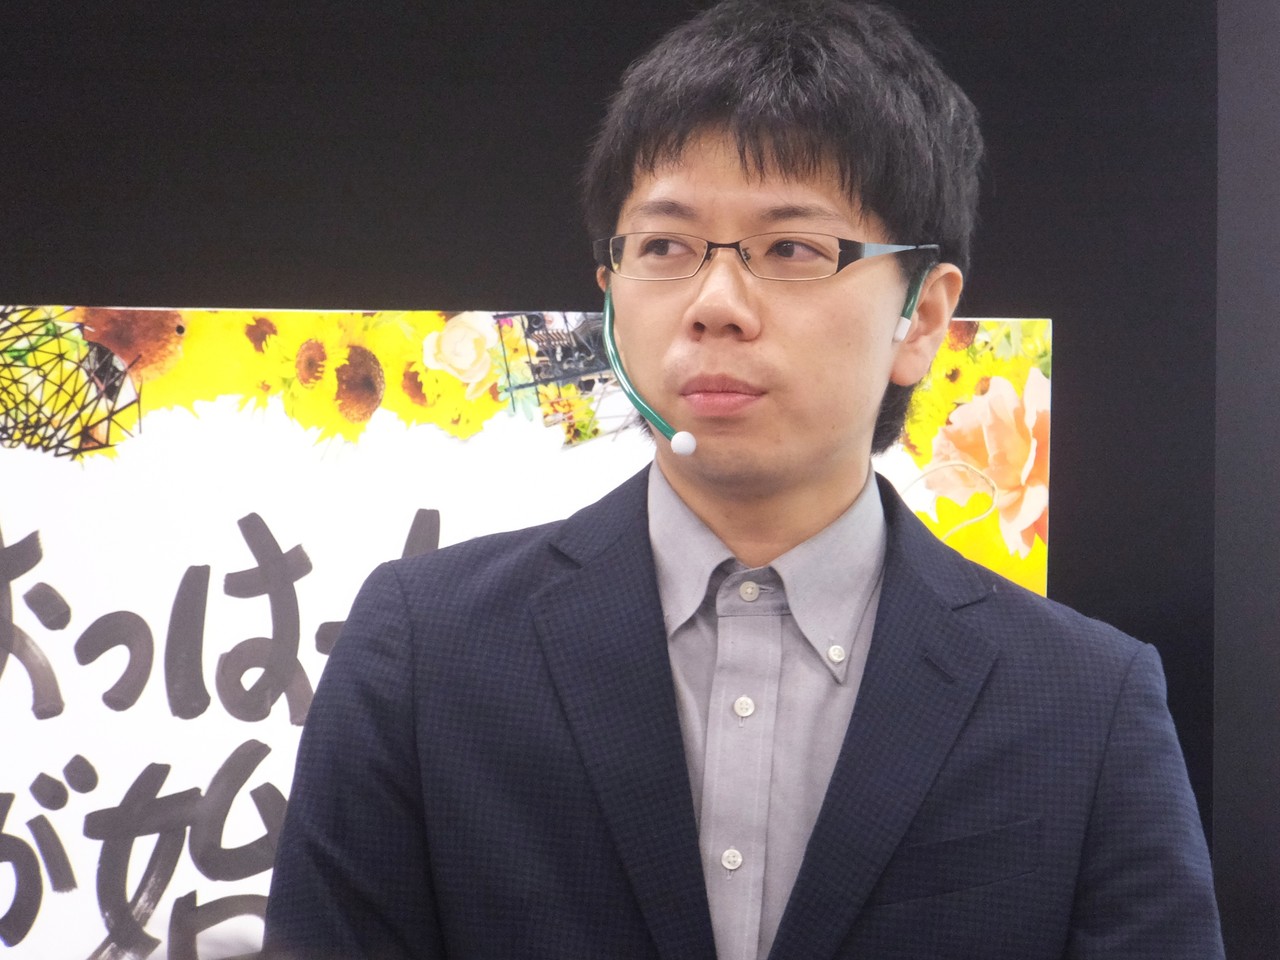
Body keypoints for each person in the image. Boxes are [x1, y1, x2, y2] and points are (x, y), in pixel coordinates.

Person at [263, 1, 1223, 957]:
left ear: (923, 318)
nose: (714, 304)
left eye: (791, 249)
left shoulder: (1087, 703)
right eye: (665, 247)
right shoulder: (425, 651)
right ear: (610, 293)